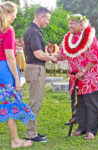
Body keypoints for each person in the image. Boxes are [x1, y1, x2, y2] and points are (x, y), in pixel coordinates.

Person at [57, 14, 98, 140]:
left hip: (90, 78)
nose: (69, 25)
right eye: (69, 23)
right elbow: (63, 54)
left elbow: (95, 57)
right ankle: (81, 128)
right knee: (79, 104)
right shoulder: (68, 38)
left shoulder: (91, 38)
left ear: (81, 24)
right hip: (75, 78)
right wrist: (50, 57)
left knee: (91, 103)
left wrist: (84, 70)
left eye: (72, 23)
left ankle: (91, 131)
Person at [0, 1, 34, 148]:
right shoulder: (8, 30)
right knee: (10, 106)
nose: (15, 16)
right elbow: (10, 57)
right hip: (5, 71)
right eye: (14, 14)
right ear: (9, 13)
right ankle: (15, 141)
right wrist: (17, 79)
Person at [24, 7, 56, 142]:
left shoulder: (32, 31)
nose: (47, 22)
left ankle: (33, 131)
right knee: (35, 102)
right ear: (40, 17)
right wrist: (52, 57)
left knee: (36, 101)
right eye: (47, 19)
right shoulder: (34, 32)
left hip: (35, 68)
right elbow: (38, 54)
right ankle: (30, 134)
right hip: (35, 69)